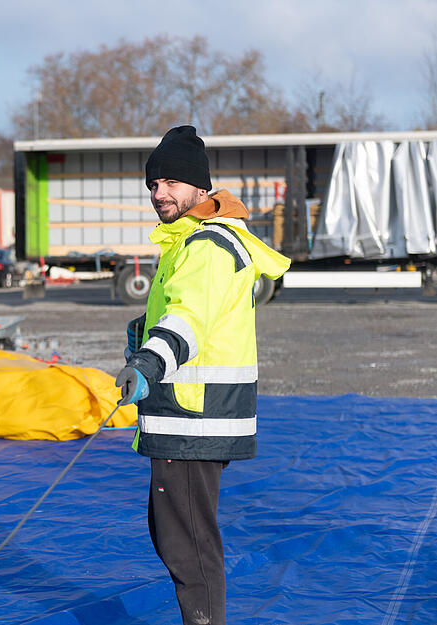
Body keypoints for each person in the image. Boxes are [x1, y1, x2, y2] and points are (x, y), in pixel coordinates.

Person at [115, 126, 290, 625]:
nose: (159, 193)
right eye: (152, 184)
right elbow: (187, 315)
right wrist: (141, 333)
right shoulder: (191, 242)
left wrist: (147, 362)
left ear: (199, 187)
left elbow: (188, 320)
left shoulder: (209, 246)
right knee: (177, 538)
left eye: (171, 181)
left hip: (194, 418)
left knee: (189, 547)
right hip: (187, 417)